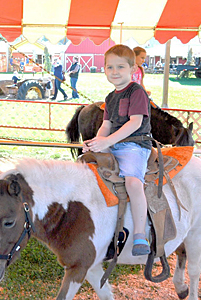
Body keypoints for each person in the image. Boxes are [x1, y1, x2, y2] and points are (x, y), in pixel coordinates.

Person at [82, 44, 152, 256]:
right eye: (110, 67)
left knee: (132, 181)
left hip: (135, 144)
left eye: (120, 67)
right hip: (113, 143)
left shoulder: (137, 92)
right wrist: (96, 141)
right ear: (104, 69)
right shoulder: (111, 97)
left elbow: (134, 123)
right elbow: (106, 125)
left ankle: (140, 233)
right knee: (85, 169)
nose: (114, 72)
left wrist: (106, 142)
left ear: (133, 69)